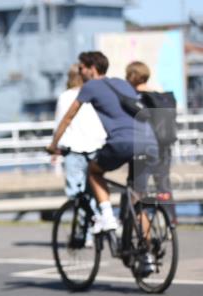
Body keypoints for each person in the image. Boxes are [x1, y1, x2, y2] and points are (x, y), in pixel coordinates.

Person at [47, 51, 158, 234]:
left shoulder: (90, 87)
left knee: (93, 171)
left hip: (123, 142)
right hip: (148, 142)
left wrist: (53, 145)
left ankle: (107, 217)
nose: (80, 71)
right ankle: (147, 256)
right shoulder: (122, 83)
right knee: (138, 199)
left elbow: (67, 118)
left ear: (92, 69)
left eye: (81, 67)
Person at [53, 63, 106, 198]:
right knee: (95, 187)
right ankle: (99, 217)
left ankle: (84, 216)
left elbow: (61, 123)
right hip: (96, 146)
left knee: (76, 191)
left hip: (73, 148)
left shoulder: (65, 97)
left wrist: (54, 146)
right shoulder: (97, 95)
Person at [125, 61, 175, 200]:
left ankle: (135, 219)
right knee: (164, 186)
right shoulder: (160, 97)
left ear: (132, 76)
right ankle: (170, 219)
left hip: (144, 146)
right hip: (164, 145)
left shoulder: (135, 98)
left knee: (136, 187)